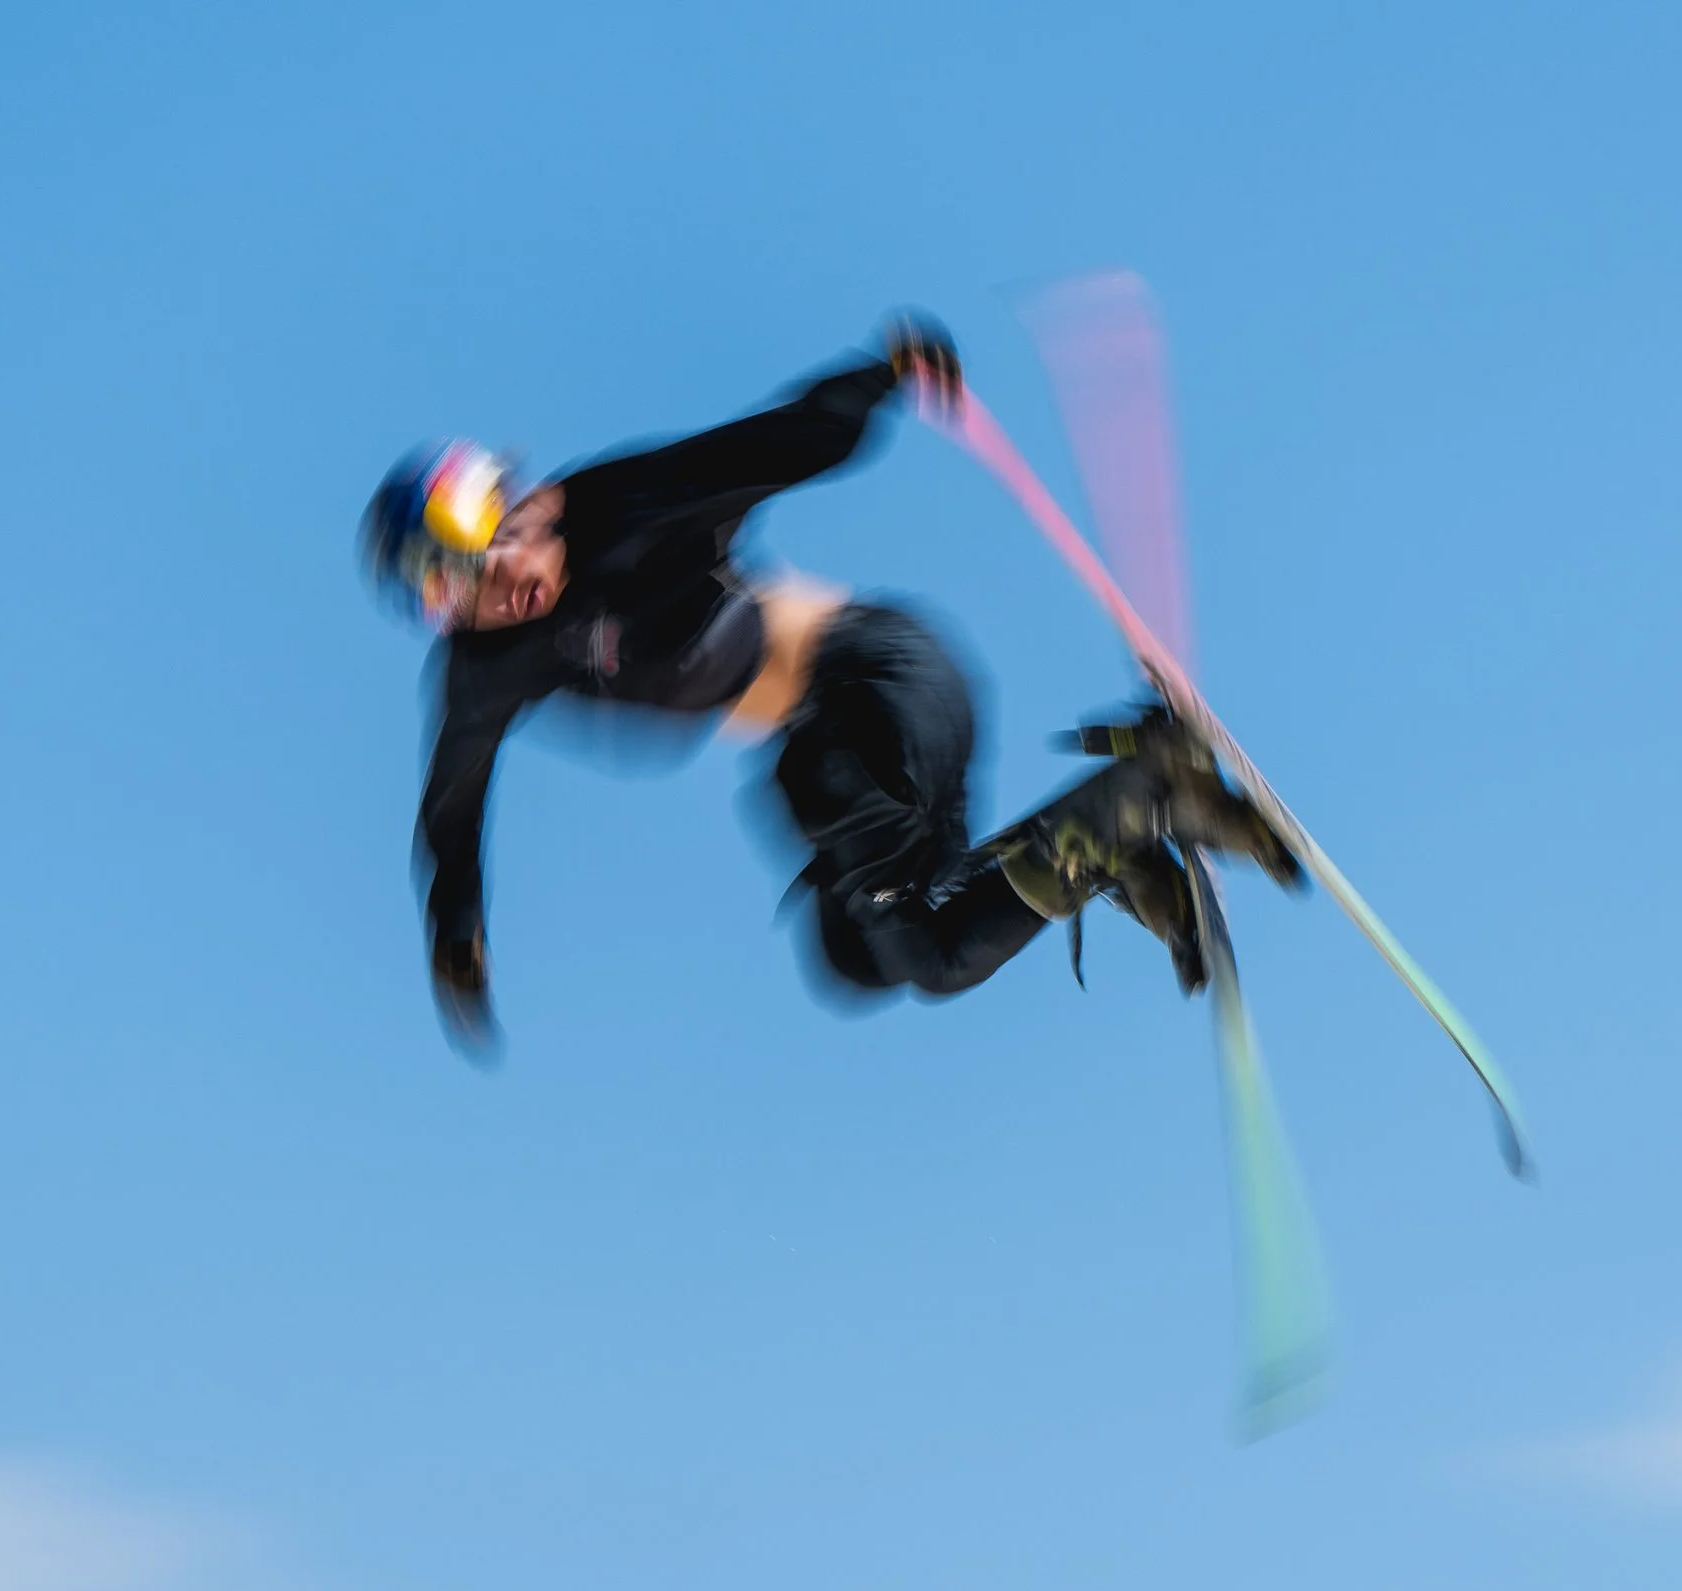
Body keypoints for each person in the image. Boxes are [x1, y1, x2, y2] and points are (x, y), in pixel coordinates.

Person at [359, 315, 1294, 1051]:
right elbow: (453, 798)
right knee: (861, 958)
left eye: (480, 557)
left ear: (514, 507)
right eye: (452, 598)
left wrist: (878, 376)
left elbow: (770, 445)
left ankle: (1146, 791)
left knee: (895, 910)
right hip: (840, 746)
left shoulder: (618, 510)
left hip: (875, 684)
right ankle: (1109, 839)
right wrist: (456, 930)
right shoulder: (489, 663)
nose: (492, 594)